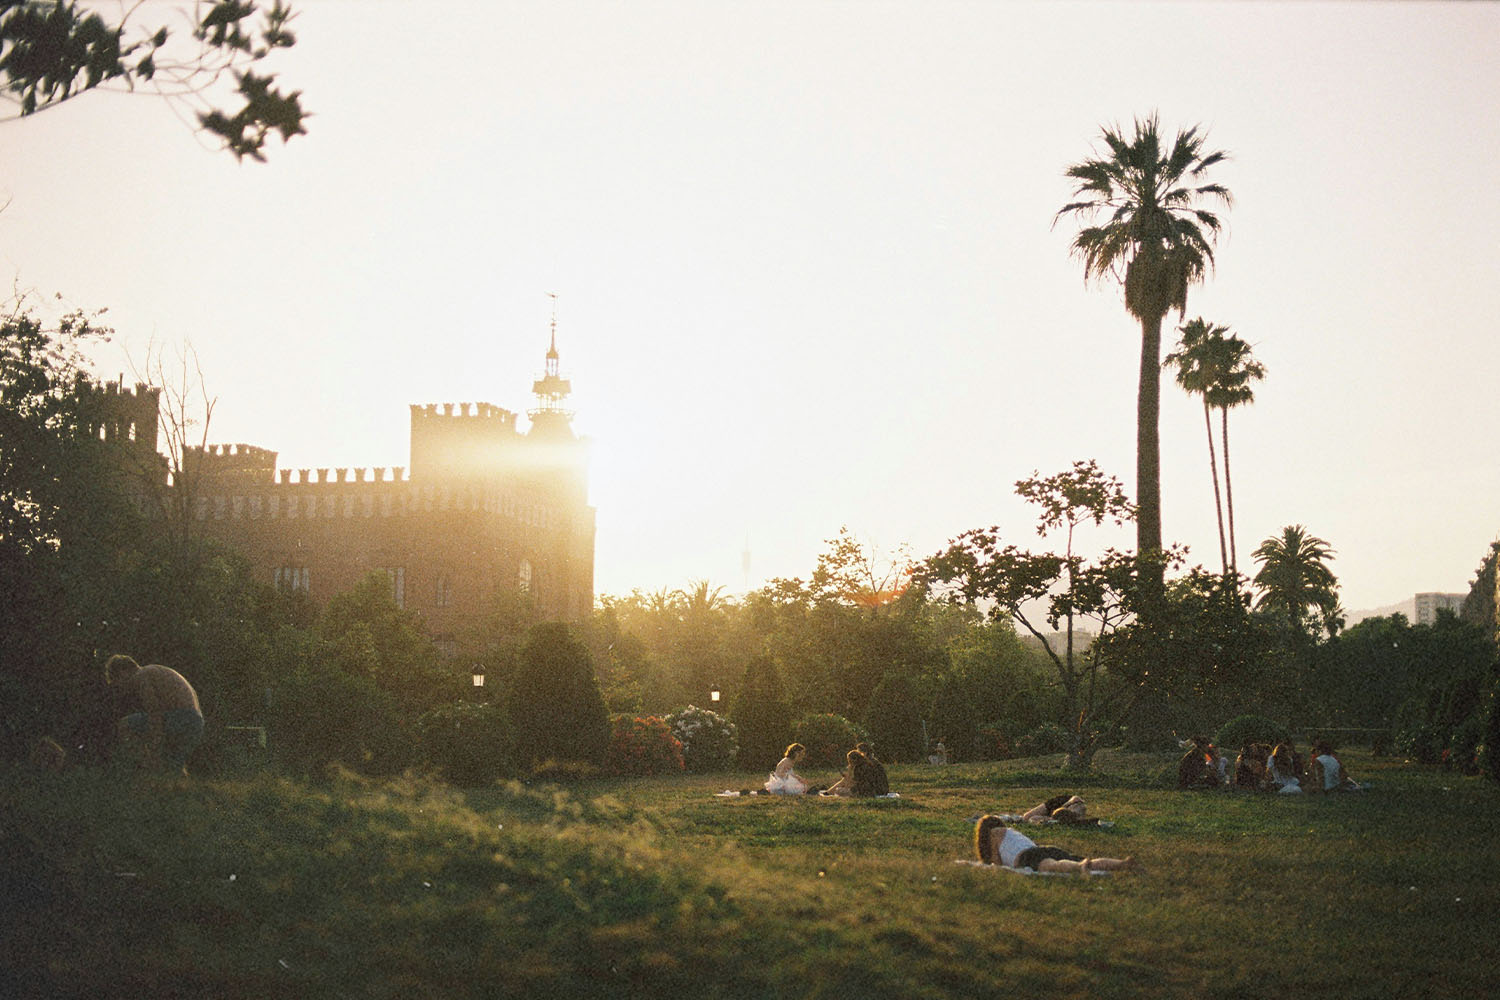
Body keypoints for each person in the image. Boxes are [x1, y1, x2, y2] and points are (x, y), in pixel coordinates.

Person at [105, 654, 204, 775]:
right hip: (196, 722)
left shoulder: (141, 676)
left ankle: (148, 766)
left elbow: (154, 711)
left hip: (181, 719)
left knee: (125, 725)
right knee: (173, 767)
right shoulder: (156, 671)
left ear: (123, 672)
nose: (120, 687)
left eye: (117, 681)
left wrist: (154, 746)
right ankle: (175, 780)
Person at [972, 815, 1138, 874]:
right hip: (1043, 848)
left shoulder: (994, 833)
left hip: (1027, 857)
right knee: (1089, 862)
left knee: (1053, 866)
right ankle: (1122, 864)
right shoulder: (1011, 832)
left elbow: (996, 862)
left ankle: (1079, 868)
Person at [1019, 794, 1098, 825]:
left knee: (1030, 818)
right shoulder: (1077, 807)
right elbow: (1076, 798)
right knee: (1026, 817)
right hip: (1064, 803)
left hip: (1058, 813)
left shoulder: (1053, 820)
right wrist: (1067, 804)